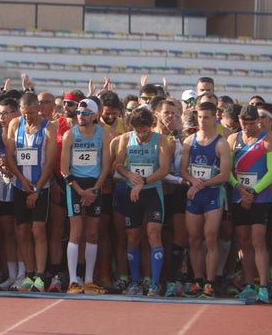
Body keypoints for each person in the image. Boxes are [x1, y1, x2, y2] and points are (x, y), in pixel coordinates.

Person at [111, 106, 174, 297]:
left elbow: (164, 169)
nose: (141, 135)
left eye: (144, 131)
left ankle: (154, 283)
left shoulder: (160, 140)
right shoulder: (126, 139)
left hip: (152, 192)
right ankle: (135, 281)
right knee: (132, 237)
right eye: (137, 131)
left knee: (153, 234)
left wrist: (144, 182)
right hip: (132, 194)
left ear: (151, 127)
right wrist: (129, 174)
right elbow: (118, 164)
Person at [5, 92, 58, 292]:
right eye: (24, 113)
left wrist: (37, 188)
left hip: (40, 187)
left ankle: (40, 274)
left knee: (39, 231)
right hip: (20, 186)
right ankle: (28, 274)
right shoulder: (15, 125)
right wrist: (21, 180)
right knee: (22, 232)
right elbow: (10, 156)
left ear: (39, 108)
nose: (28, 116)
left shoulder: (49, 127)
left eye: (31, 112)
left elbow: (50, 161)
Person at [60, 98, 112, 294]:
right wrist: (81, 191)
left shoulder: (104, 135)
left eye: (85, 113)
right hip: (75, 186)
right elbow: (64, 169)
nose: (81, 116)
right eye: (79, 113)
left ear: (95, 115)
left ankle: (89, 280)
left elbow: (106, 166)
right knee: (76, 232)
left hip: (95, 185)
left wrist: (95, 190)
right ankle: (73, 280)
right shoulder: (69, 135)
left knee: (92, 233)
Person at [227, 104, 272, 303]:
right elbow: (227, 169)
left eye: (251, 123)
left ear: (258, 121)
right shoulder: (233, 139)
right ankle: (249, 285)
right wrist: (239, 188)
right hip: (239, 196)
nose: (247, 127)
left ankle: (263, 286)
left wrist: (253, 192)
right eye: (243, 123)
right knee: (244, 242)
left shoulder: (268, 141)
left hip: (260, 198)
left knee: (258, 241)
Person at [181, 101, 231, 298]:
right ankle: (198, 280)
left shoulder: (221, 143)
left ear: (214, 118)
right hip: (195, 194)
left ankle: (210, 282)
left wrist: (201, 184)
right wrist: (193, 181)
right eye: (200, 117)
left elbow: (225, 175)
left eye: (206, 117)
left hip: (212, 195)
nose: (202, 121)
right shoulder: (189, 141)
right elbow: (183, 170)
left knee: (210, 238)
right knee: (193, 239)